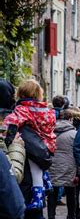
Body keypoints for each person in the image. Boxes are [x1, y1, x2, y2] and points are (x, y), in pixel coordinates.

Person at [0, 79, 52, 219]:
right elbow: (44, 156)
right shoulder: (27, 122)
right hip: (29, 195)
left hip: (9, 198)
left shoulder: (19, 118)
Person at [3, 79, 56, 209]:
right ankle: (47, 182)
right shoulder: (46, 109)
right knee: (39, 166)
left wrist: (6, 132)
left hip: (34, 145)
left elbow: (13, 121)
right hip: (47, 141)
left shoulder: (23, 109)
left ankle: (38, 197)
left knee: (34, 166)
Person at [47, 108, 79, 219]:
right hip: (69, 166)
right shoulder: (74, 134)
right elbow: (77, 152)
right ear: (70, 119)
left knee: (52, 194)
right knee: (71, 194)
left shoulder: (51, 131)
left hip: (53, 165)